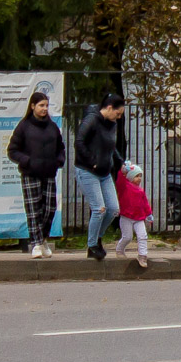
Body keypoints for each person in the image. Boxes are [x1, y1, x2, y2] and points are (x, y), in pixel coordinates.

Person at [6, 91, 65, 259]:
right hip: (30, 174)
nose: (44, 109)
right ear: (32, 106)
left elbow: (61, 148)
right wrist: (27, 161)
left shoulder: (52, 127)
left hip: (49, 173)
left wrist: (59, 160)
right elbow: (12, 150)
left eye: (46, 105)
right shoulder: (24, 126)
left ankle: (43, 238)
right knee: (34, 210)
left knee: (49, 209)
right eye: (41, 105)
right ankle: (36, 244)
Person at [74, 93, 127, 260]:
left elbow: (111, 146)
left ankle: (97, 237)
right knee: (99, 209)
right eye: (117, 114)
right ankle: (92, 246)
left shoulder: (112, 124)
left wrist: (120, 161)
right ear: (109, 108)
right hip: (88, 171)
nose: (118, 118)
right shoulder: (91, 120)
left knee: (113, 210)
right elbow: (79, 141)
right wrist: (91, 160)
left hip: (105, 173)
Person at [114, 162, 154, 269]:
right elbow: (120, 181)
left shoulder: (141, 191)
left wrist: (149, 214)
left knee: (142, 236)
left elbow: (145, 203)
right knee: (127, 237)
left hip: (139, 218)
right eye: (137, 176)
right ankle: (119, 250)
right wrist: (123, 172)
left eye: (140, 176)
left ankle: (142, 255)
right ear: (130, 177)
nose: (139, 178)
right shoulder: (124, 187)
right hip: (126, 217)